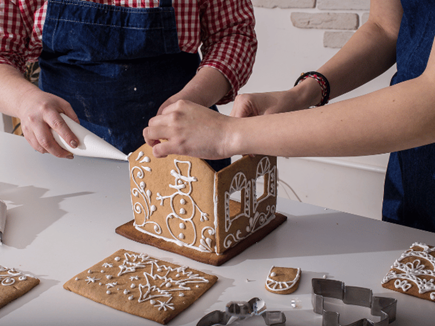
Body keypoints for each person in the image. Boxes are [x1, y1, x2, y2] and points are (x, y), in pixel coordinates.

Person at [143, 0, 435, 232]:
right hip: (413, 160)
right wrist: (301, 94)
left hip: (413, 124)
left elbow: (428, 105)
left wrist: (227, 134)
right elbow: (386, 27)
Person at [0, 0, 257, 171]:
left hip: (185, 150)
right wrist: (25, 100)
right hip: (67, 154)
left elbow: (234, 33)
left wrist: (194, 97)